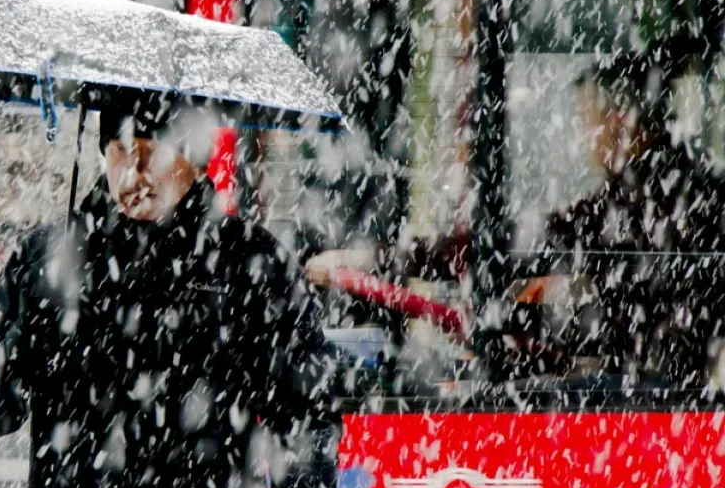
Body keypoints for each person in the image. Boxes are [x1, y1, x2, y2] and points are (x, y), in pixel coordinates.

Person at [0, 97, 341, 488]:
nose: (133, 173)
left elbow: (306, 420)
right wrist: (30, 329)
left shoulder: (252, 265)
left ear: (192, 162)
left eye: (150, 152)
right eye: (119, 150)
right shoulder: (48, 258)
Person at [306, 55, 725, 383]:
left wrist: (505, 321)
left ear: (621, 123)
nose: (583, 142)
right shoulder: (676, 184)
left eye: (588, 124)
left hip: (661, 397)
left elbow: (516, 247)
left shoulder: (644, 197)